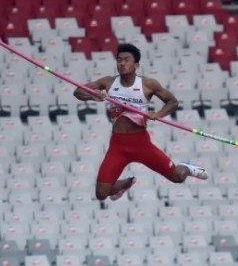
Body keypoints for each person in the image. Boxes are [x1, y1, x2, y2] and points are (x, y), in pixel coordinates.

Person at [73, 43, 208, 201]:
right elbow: (78, 91)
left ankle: (186, 167)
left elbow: (172, 102)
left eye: (127, 60)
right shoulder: (108, 82)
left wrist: (158, 114)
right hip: (118, 146)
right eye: (119, 60)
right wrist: (93, 96)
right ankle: (126, 183)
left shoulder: (147, 84)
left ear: (136, 65)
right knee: (101, 194)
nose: (122, 63)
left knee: (178, 177)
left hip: (142, 144)